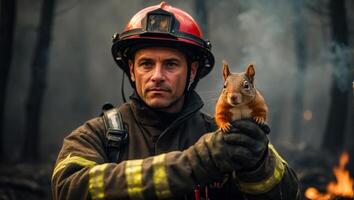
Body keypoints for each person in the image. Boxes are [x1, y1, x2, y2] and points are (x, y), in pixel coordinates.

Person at [51, 2, 301, 199]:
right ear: (131, 69)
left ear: (192, 72)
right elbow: (68, 188)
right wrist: (198, 162)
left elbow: (288, 193)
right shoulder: (96, 136)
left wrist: (258, 164)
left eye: (170, 64)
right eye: (146, 64)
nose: (157, 76)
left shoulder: (223, 134)